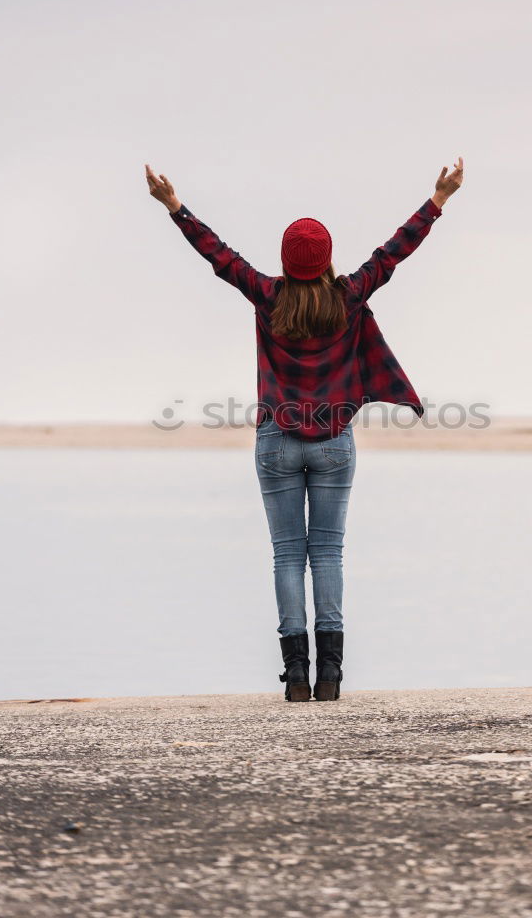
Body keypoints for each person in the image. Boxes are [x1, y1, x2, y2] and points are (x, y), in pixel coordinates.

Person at [145, 158, 464, 702]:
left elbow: (219, 256)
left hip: (276, 441)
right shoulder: (349, 295)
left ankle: (296, 674)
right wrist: (438, 199)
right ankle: (332, 675)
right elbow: (393, 253)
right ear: (326, 259)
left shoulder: (268, 296)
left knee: (288, 554)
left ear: (286, 261)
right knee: (329, 553)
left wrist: (175, 207)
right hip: (335, 444)